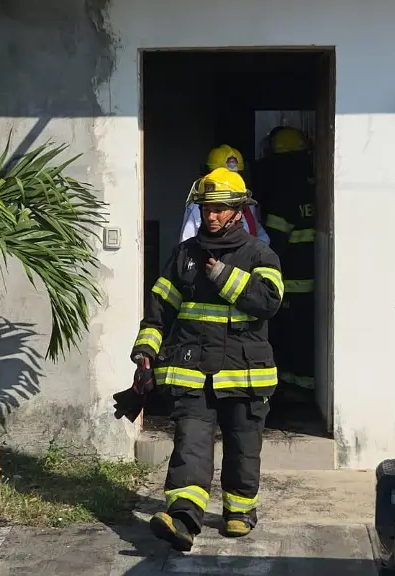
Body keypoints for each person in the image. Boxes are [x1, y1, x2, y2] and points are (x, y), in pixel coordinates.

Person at [130, 167, 284, 551]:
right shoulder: (184, 255)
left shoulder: (260, 253)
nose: (210, 216)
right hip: (192, 371)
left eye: (219, 209)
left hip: (243, 375)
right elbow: (159, 309)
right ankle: (182, 519)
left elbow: (268, 302)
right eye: (205, 209)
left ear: (236, 211)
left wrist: (223, 276)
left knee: (243, 447)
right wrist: (145, 349)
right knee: (190, 445)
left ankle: (239, 510)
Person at [259, 127, 317, 394]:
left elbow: (272, 246)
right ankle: (302, 389)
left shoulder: (284, 196)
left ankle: (291, 392)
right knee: (305, 339)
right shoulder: (311, 189)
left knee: (289, 340)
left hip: (289, 284)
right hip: (311, 283)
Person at [179, 145, 270, 245]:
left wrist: (251, 253)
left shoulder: (246, 204)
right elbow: (187, 246)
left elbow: (259, 234)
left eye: (234, 175)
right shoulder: (199, 207)